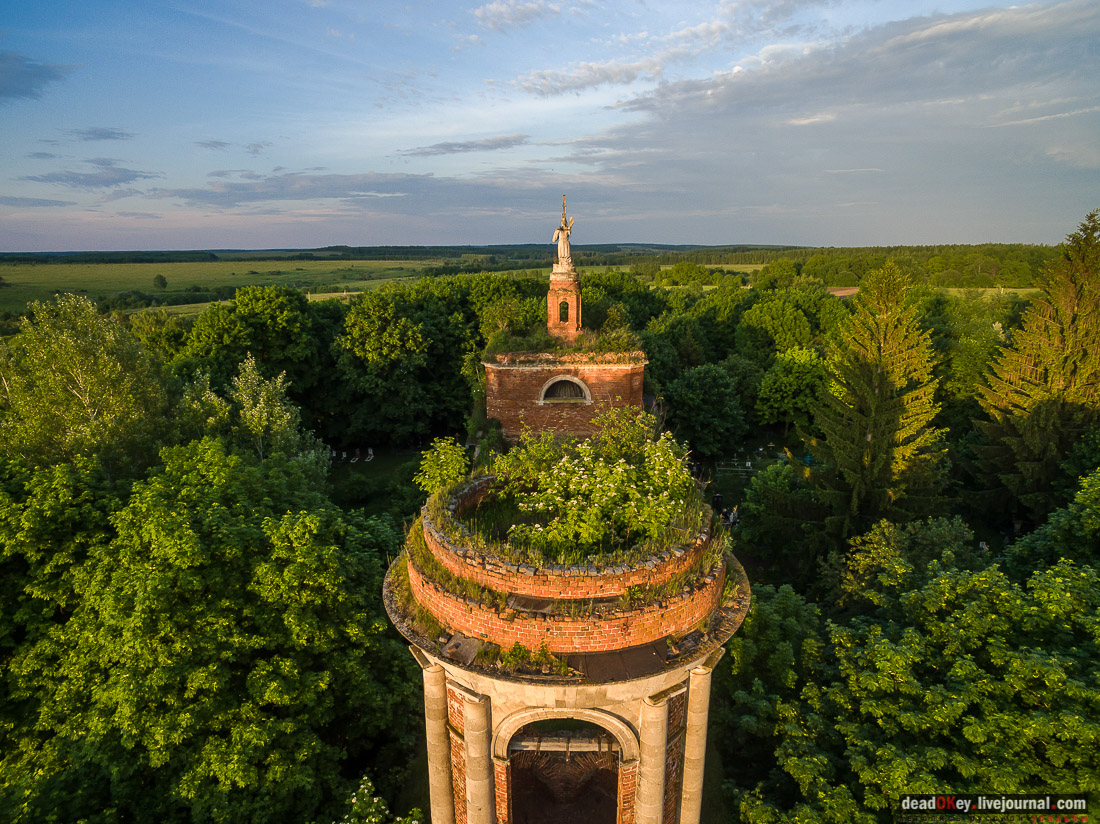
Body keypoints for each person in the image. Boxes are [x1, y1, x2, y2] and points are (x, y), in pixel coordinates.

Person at [552, 194, 574, 265]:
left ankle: (566, 262)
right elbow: (554, 239)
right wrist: (557, 232)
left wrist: (570, 226)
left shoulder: (567, 230)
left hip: (565, 242)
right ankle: (562, 262)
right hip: (561, 242)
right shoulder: (559, 230)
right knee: (561, 255)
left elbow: (569, 232)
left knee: (566, 255)